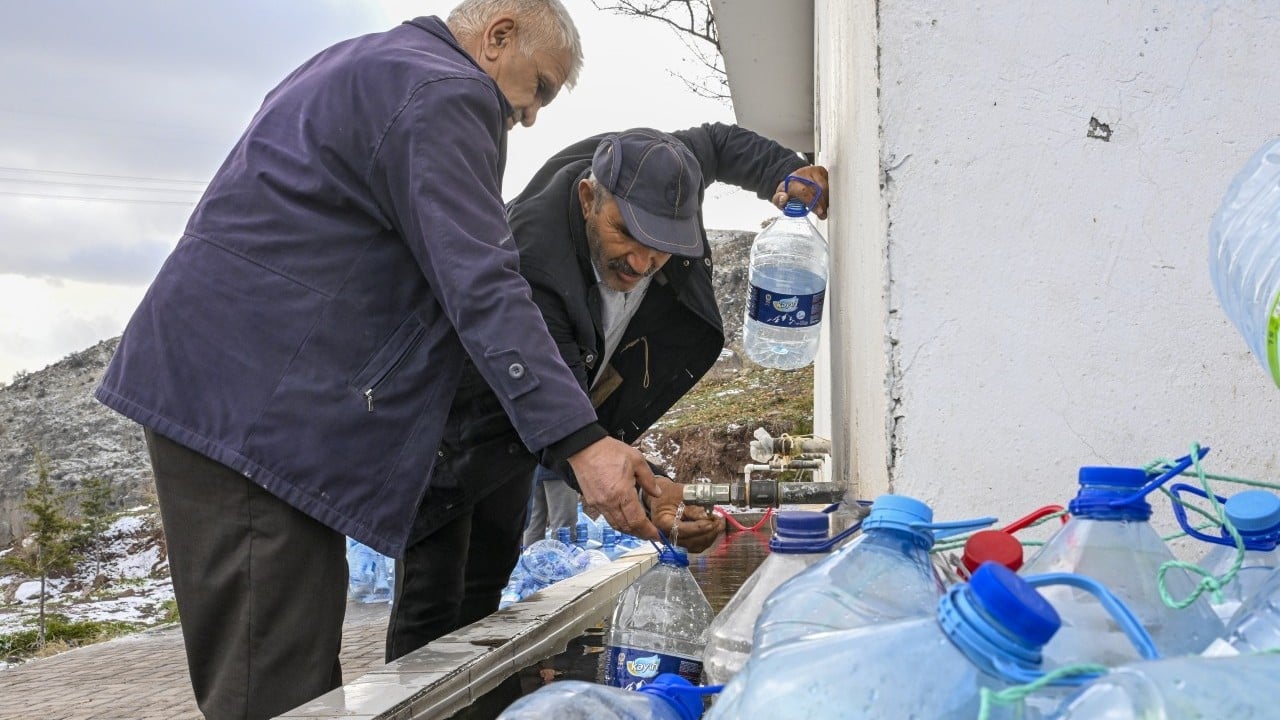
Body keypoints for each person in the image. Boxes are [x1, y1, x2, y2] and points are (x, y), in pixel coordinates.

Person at [92, 3, 672, 718]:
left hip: (245, 401)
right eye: (541, 88)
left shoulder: (368, 64)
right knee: (273, 687)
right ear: (498, 37)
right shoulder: (445, 92)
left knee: (292, 666)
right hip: (250, 414)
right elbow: (482, 282)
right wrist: (581, 442)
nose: (530, 117)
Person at [386, 125, 829, 660]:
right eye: (626, 235)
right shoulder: (531, 265)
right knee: (434, 601)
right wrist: (646, 491)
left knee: (484, 587)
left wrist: (781, 170)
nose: (641, 263)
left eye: (663, 248)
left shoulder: (662, 170)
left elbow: (715, 145)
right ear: (588, 197)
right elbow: (565, 414)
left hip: (524, 438)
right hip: (455, 423)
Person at [523, 465, 583, 546]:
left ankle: (529, 557)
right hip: (558, 469)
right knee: (564, 529)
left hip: (535, 468)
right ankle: (562, 557)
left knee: (533, 524)